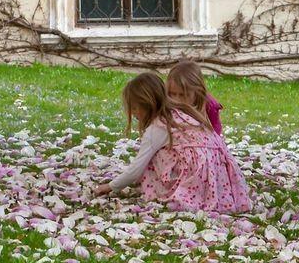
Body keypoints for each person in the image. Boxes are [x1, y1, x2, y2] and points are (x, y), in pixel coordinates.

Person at [93, 72, 251, 213]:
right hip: (218, 175)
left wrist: (109, 186)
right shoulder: (182, 111)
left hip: (197, 176)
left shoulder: (158, 127)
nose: (133, 113)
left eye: (135, 108)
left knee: (156, 156)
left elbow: (135, 170)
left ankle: (177, 192)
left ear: (146, 104)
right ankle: (199, 194)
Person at [167, 60, 224, 135]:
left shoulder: (210, 105)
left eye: (183, 95)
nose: (176, 100)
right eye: (172, 93)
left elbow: (215, 131)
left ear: (197, 92)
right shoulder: (165, 100)